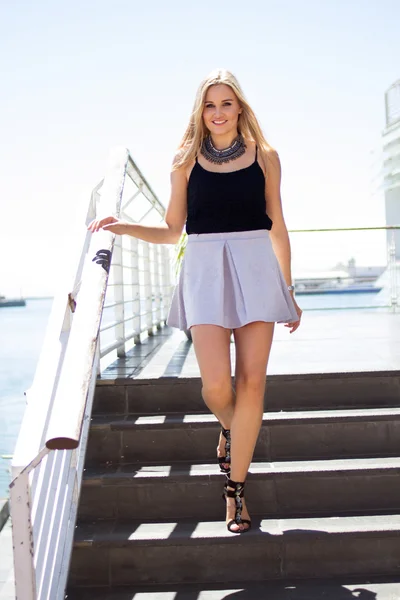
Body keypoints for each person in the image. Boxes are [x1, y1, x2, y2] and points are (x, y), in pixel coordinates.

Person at [87, 68, 302, 534]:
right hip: (204, 271)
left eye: (226, 103)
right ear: (200, 112)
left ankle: (235, 491)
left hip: (257, 270)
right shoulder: (184, 161)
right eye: (210, 105)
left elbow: (278, 224)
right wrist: (121, 224)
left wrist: (288, 287)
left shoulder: (265, 156)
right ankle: (232, 427)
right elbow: (171, 230)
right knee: (217, 389)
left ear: (240, 107)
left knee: (252, 385)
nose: (219, 112)